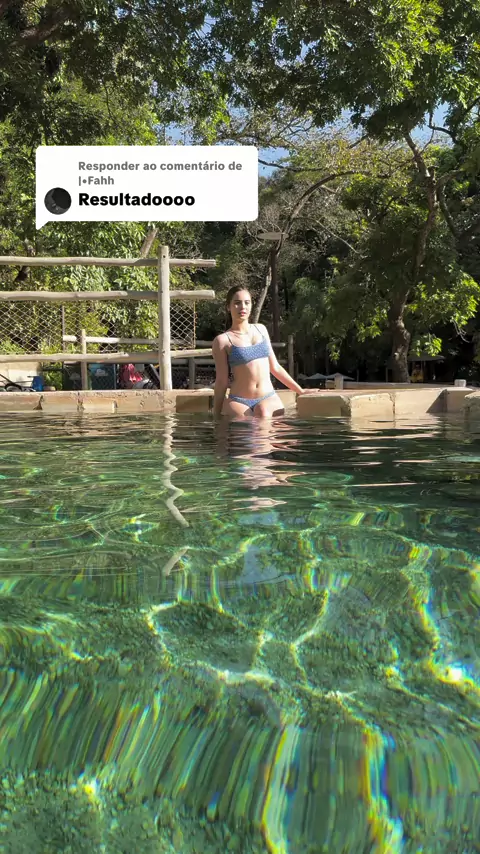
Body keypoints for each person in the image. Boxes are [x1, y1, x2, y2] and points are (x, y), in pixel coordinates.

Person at [212, 286, 315, 418]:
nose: (243, 307)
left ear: (251, 305)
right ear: (228, 307)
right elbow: (222, 381)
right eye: (237, 303)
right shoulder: (222, 340)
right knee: (245, 425)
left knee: (263, 413)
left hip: (267, 397)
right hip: (239, 400)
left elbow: (275, 367)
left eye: (247, 302)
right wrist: (216, 416)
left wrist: (300, 391)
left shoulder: (261, 330)